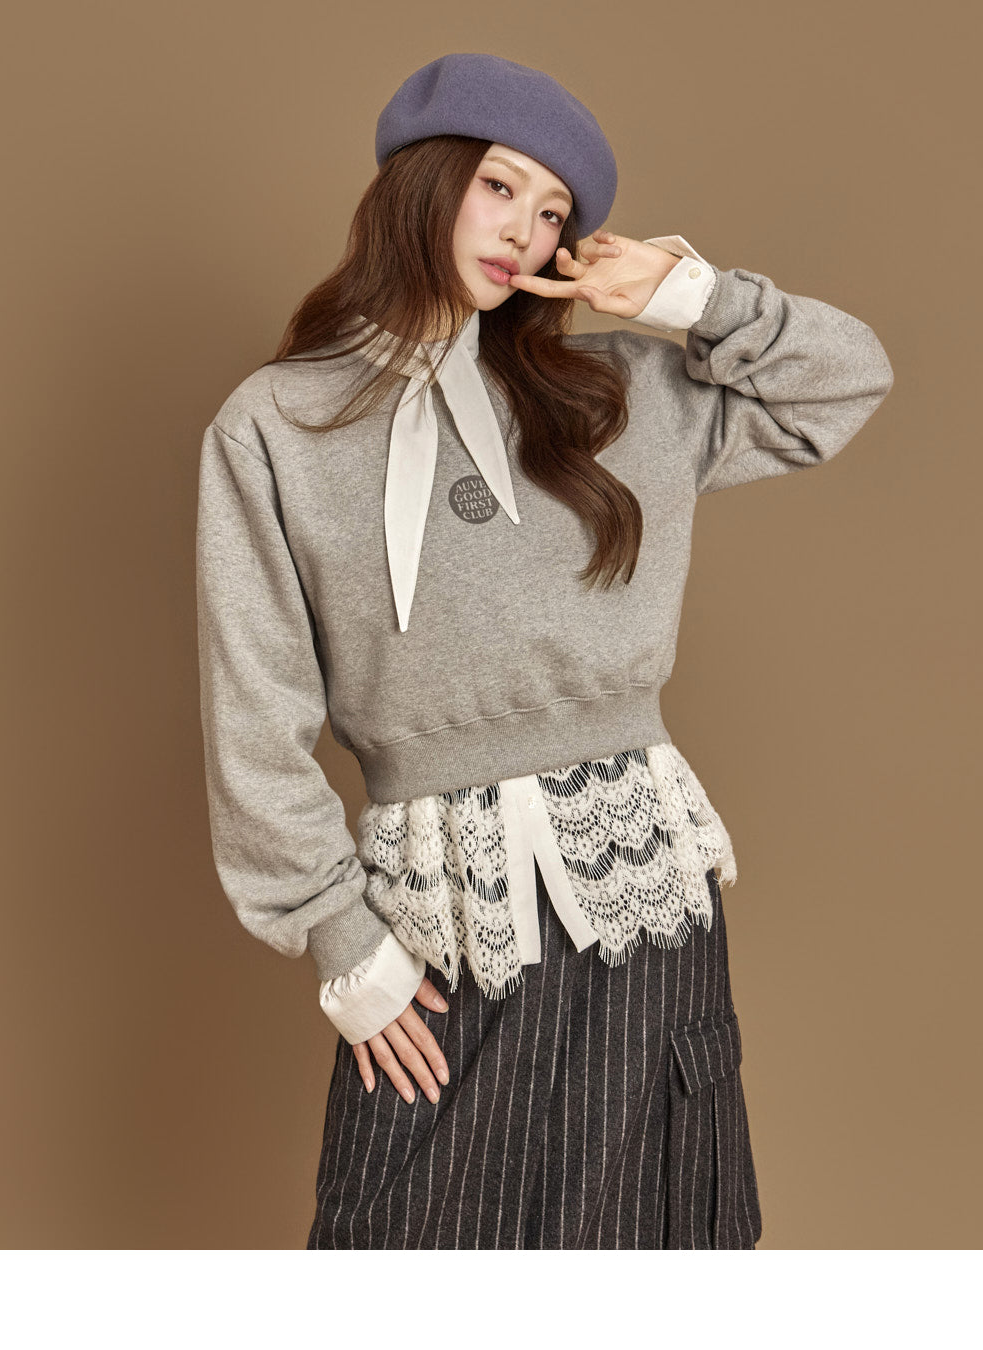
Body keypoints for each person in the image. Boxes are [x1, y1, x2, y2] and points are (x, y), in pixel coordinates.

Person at [194, 52, 894, 1249]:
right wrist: (339, 937)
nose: (526, 229)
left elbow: (846, 381)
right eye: (500, 187)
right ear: (424, 182)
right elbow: (252, 709)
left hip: (642, 892)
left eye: (555, 211)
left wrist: (685, 296)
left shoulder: (614, 393)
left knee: (653, 1254)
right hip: (439, 916)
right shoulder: (277, 425)